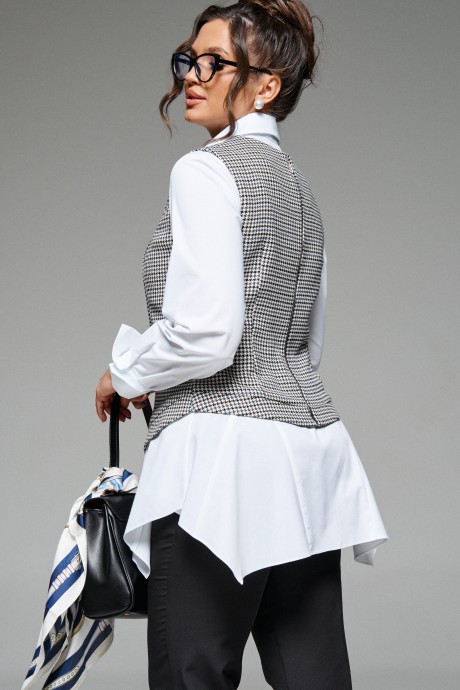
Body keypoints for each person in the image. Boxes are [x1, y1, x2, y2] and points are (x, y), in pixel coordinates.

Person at [95, 1, 389, 688]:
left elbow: (209, 332)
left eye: (215, 63)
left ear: (266, 86)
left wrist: (125, 372)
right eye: (189, 60)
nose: (192, 76)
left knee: (191, 672)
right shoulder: (299, 188)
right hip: (308, 458)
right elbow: (304, 342)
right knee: (314, 675)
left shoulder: (203, 171)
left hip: (218, 468)